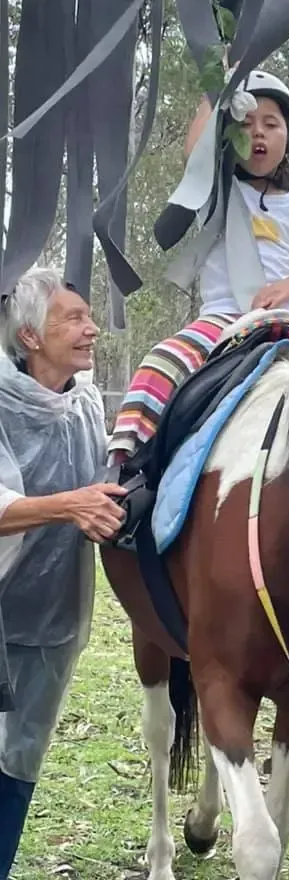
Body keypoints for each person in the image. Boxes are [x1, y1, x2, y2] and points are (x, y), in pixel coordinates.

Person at [109, 69, 289, 464]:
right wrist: (218, 83)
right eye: (246, 124)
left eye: (271, 124)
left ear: (288, 137)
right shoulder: (215, 192)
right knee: (159, 364)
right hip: (225, 319)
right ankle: (123, 471)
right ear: (228, 135)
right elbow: (194, 152)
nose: (258, 132)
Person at [0, 269, 126, 876]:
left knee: (19, 762)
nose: (91, 328)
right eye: (73, 318)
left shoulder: (84, 405)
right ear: (29, 335)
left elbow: (108, 486)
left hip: (54, 620)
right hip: (2, 613)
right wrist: (70, 504)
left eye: (89, 316)